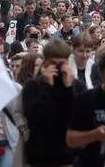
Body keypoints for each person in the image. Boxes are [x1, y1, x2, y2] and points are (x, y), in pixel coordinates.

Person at [21, 38, 86, 167]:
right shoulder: (33, 86)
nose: (57, 67)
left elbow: (77, 118)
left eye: (61, 63)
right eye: (52, 63)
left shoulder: (77, 86)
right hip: (39, 157)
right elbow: (34, 117)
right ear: (44, 62)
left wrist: (68, 88)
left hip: (69, 156)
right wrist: (47, 87)